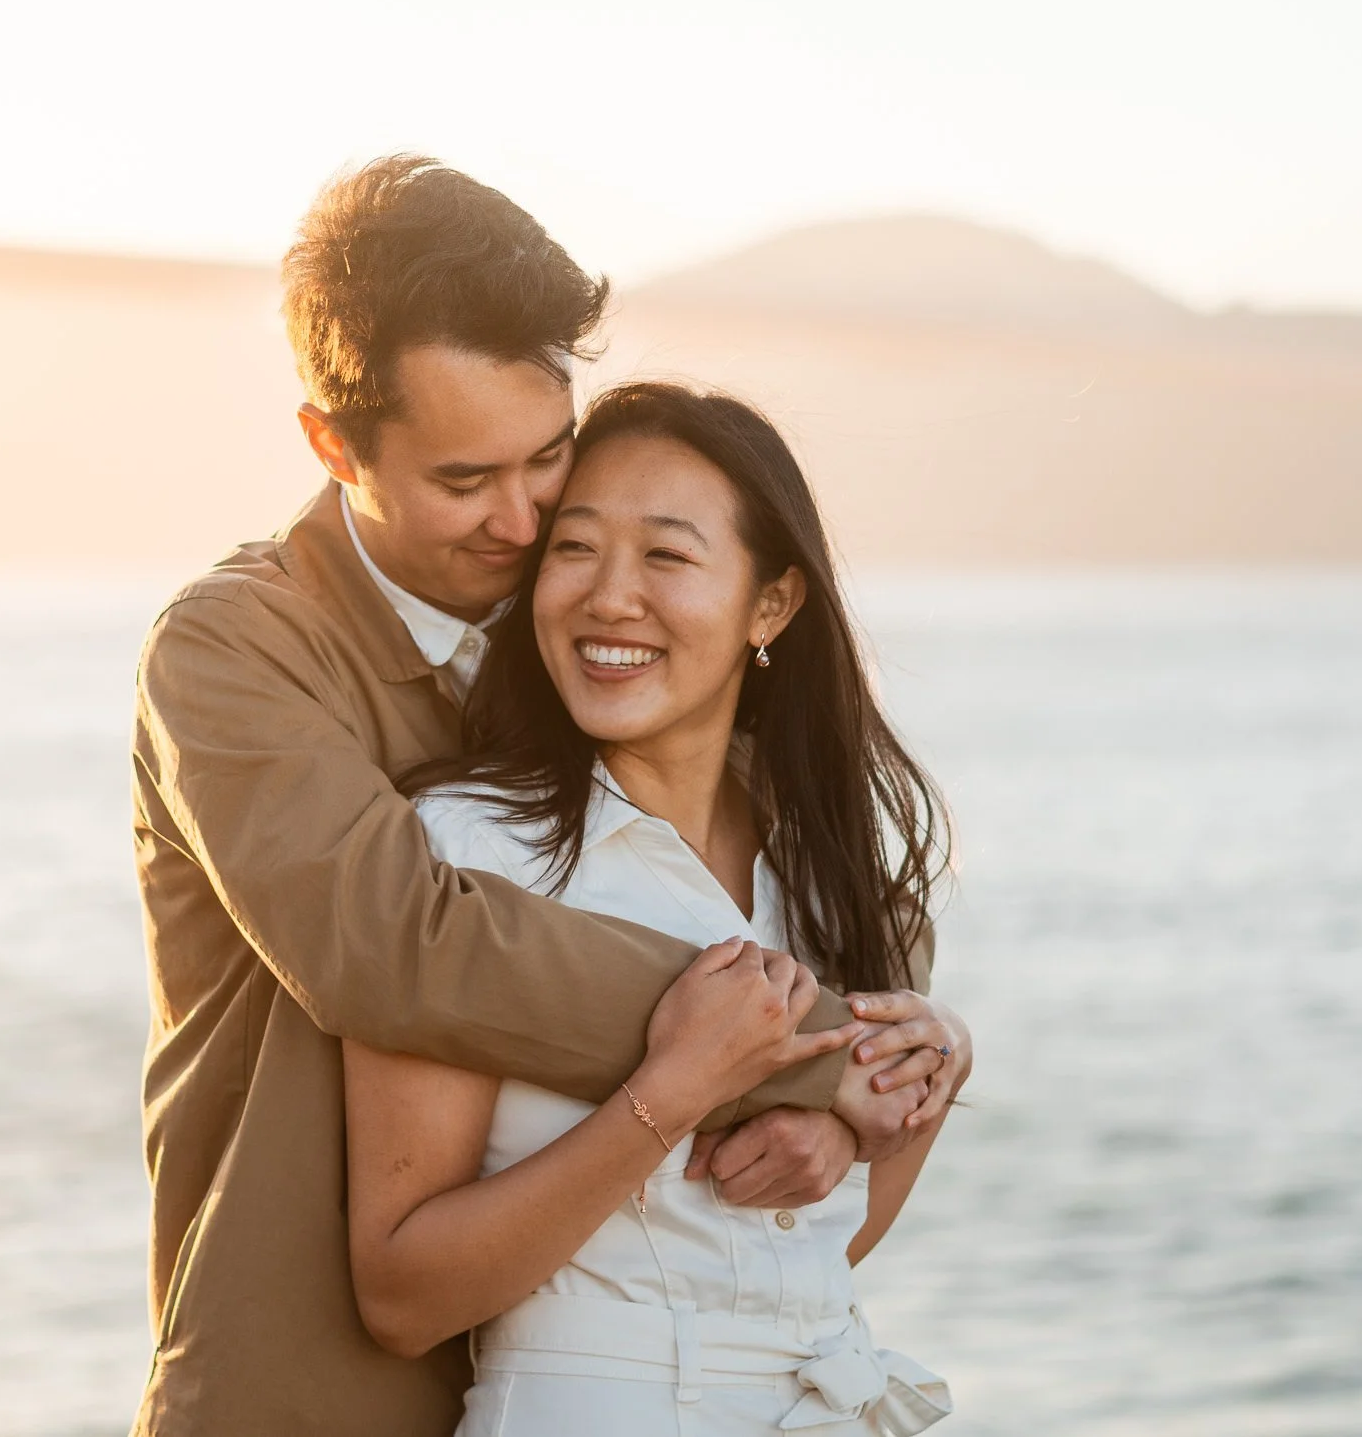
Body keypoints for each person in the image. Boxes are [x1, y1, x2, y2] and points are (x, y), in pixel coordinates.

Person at [130, 157, 962, 1437]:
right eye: (466, 480)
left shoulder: (592, 636)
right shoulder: (237, 652)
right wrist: (805, 1054)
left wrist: (882, 1091)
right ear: (332, 442)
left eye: (549, 464)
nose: (526, 527)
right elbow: (403, 945)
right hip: (311, 1391)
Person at [344, 381, 967, 1435]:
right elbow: (401, 1293)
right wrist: (667, 1095)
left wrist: (929, 1071)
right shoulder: (467, 847)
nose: (606, 597)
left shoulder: (825, 864)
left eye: (666, 557)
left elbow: (820, 1252)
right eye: (574, 548)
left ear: (768, 605)